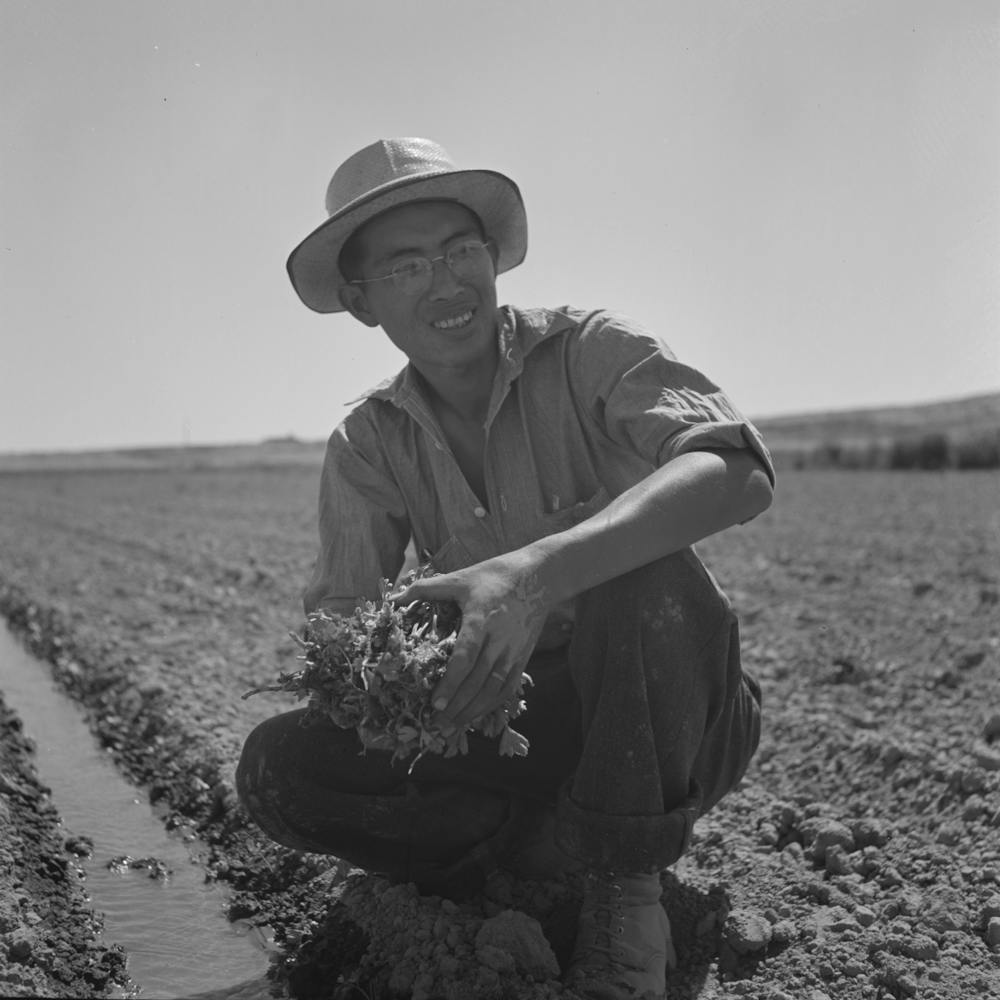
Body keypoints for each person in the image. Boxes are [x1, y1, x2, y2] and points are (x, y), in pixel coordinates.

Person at [237, 137, 774, 999]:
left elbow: (739, 470)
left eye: (461, 251)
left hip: (665, 718)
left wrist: (538, 574)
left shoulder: (593, 350)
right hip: (514, 738)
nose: (447, 284)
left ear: (492, 257)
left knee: (637, 569)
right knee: (281, 768)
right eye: (408, 266)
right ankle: (523, 848)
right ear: (362, 301)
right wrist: (399, 685)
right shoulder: (368, 443)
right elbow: (341, 624)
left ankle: (622, 895)